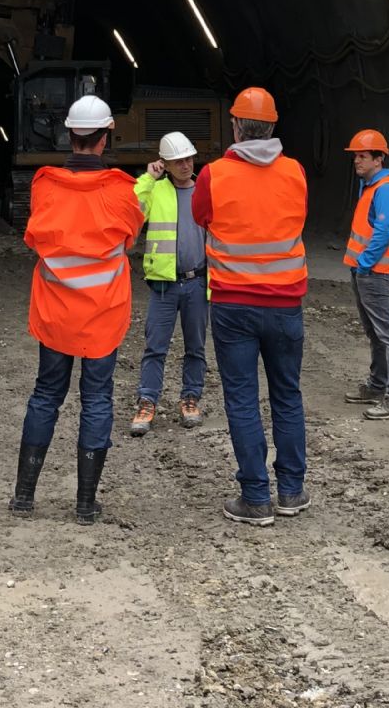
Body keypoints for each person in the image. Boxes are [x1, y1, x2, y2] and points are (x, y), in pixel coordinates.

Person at [9, 95, 143, 524]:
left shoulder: (45, 183)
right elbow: (126, 244)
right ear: (106, 138)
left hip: (56, 314)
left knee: (46, 395)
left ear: (69, 135)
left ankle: (24, 498)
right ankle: (85, 505)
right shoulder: (122, 189)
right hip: (102, 314)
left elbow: (34, 239)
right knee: (97, 399)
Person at [195, 87, 310, 527]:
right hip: (285, 303)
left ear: (236, 126)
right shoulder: (295, 172)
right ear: (274, 126)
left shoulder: (214, 174)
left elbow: (202, 218)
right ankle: (292, 492)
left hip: (232, 304)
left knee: (242, 399)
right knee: (287, 395)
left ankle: (256, 497)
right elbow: (297, 218)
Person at [128, 131, 209, 436]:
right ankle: (147, 401)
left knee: (196, 347)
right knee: (155, 347)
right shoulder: (156, 190)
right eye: (178, 161)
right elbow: (132, 210)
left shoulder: (205, 190)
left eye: (189, 158)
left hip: (198, 281)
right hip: (164, 284)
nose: (186, 165)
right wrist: (147, 179)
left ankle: (190, 399)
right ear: (165, 163)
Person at [341, 129, 389, 420]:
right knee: (376, 333)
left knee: (387, 335)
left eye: (363, 156)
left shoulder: (384, 190)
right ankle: (378, 385)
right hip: (366, 271)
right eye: (355, 156)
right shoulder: (372, 187)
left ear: (379, 159)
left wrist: (365, 263)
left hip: (375, 273)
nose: (357, 161)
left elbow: (384, 231)